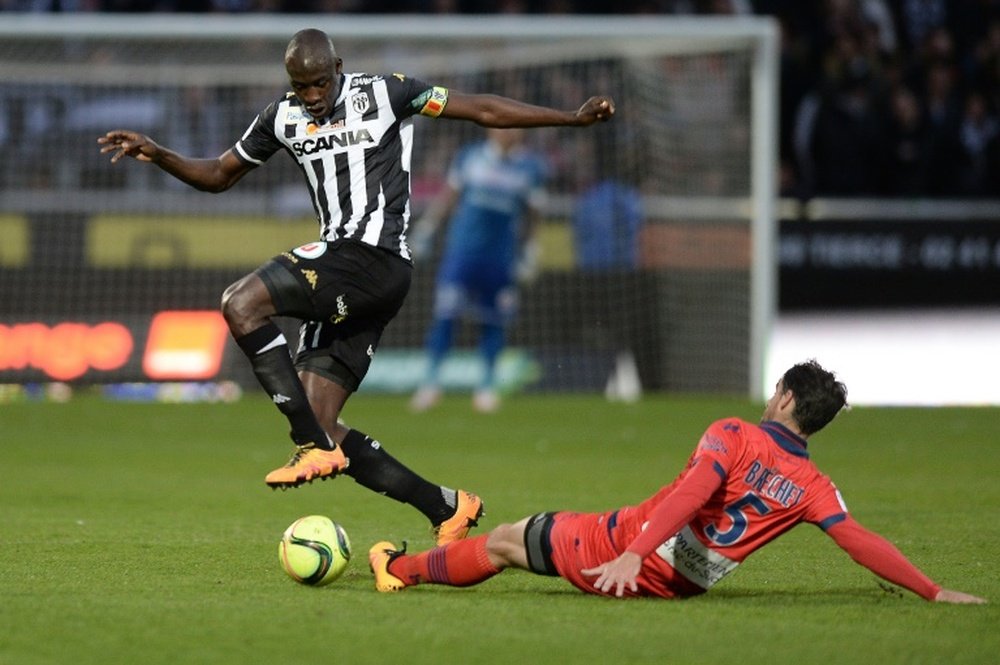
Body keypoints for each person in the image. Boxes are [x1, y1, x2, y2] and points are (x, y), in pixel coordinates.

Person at [97, 28, 614, 545]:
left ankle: (308, 445)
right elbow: (218, 174)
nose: (313, 96)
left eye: (321, 83)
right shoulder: (281, 117)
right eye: (302, 87)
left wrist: (569, 119)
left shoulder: (387, 93)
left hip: (374, 257)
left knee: (241, 302)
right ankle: (446, 507)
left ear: (338, 67)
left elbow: (481, 109)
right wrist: (159, 153)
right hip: (350, 273)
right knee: (322, 418)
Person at [368, 360, 986, 604]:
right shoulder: (814, 484)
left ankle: (396, 571)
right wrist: (933, 591)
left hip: (624, 549)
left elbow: (694, 493)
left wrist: (634, 553)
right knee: (528, 533)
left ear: (787, 398)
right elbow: (857, 539)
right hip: (683, 586)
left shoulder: (734, 433)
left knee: (507, 537)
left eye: (776, 389)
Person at [408, 127, 548, 414]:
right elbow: (449, 195)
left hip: (500, 259)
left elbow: (533, 212)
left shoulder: (530, 168)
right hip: (462, 253)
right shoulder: (470, 156)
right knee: (446, 318)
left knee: (494, 322)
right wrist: (427, 227)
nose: (510, 132)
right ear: (491, 128)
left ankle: (486, 387)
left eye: (515, 127)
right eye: (504, 126)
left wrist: (531, 248)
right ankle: (431, 383)